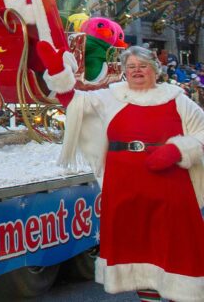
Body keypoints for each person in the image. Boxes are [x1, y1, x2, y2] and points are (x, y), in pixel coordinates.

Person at [43, 44, 204, 300]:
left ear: (155, 69)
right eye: (131, 67)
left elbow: (201, 132)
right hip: (126, 186)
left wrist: (177, 149)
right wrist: (58, 75)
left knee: (174, 247)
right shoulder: (111, 97)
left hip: (171, 186)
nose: (137, 71)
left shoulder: (177, 98)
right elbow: (74, 103)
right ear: (124, 72)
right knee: (138, 251)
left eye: (143, 66)